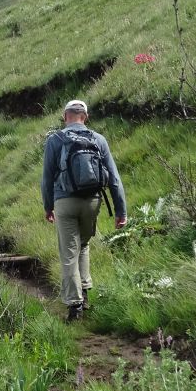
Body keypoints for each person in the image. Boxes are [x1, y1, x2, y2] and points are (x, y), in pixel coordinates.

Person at [41, 99, 127, 322]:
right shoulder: (98, 140)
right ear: (85, 117)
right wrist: (121, 211)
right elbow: (114, 179)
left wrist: (48, 206)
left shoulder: (55, 140)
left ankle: (75, 305)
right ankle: (85, 291)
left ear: (65, 115)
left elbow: (47, 177)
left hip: (64, 202)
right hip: (92, 201)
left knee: (68, 252)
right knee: (84, 244)